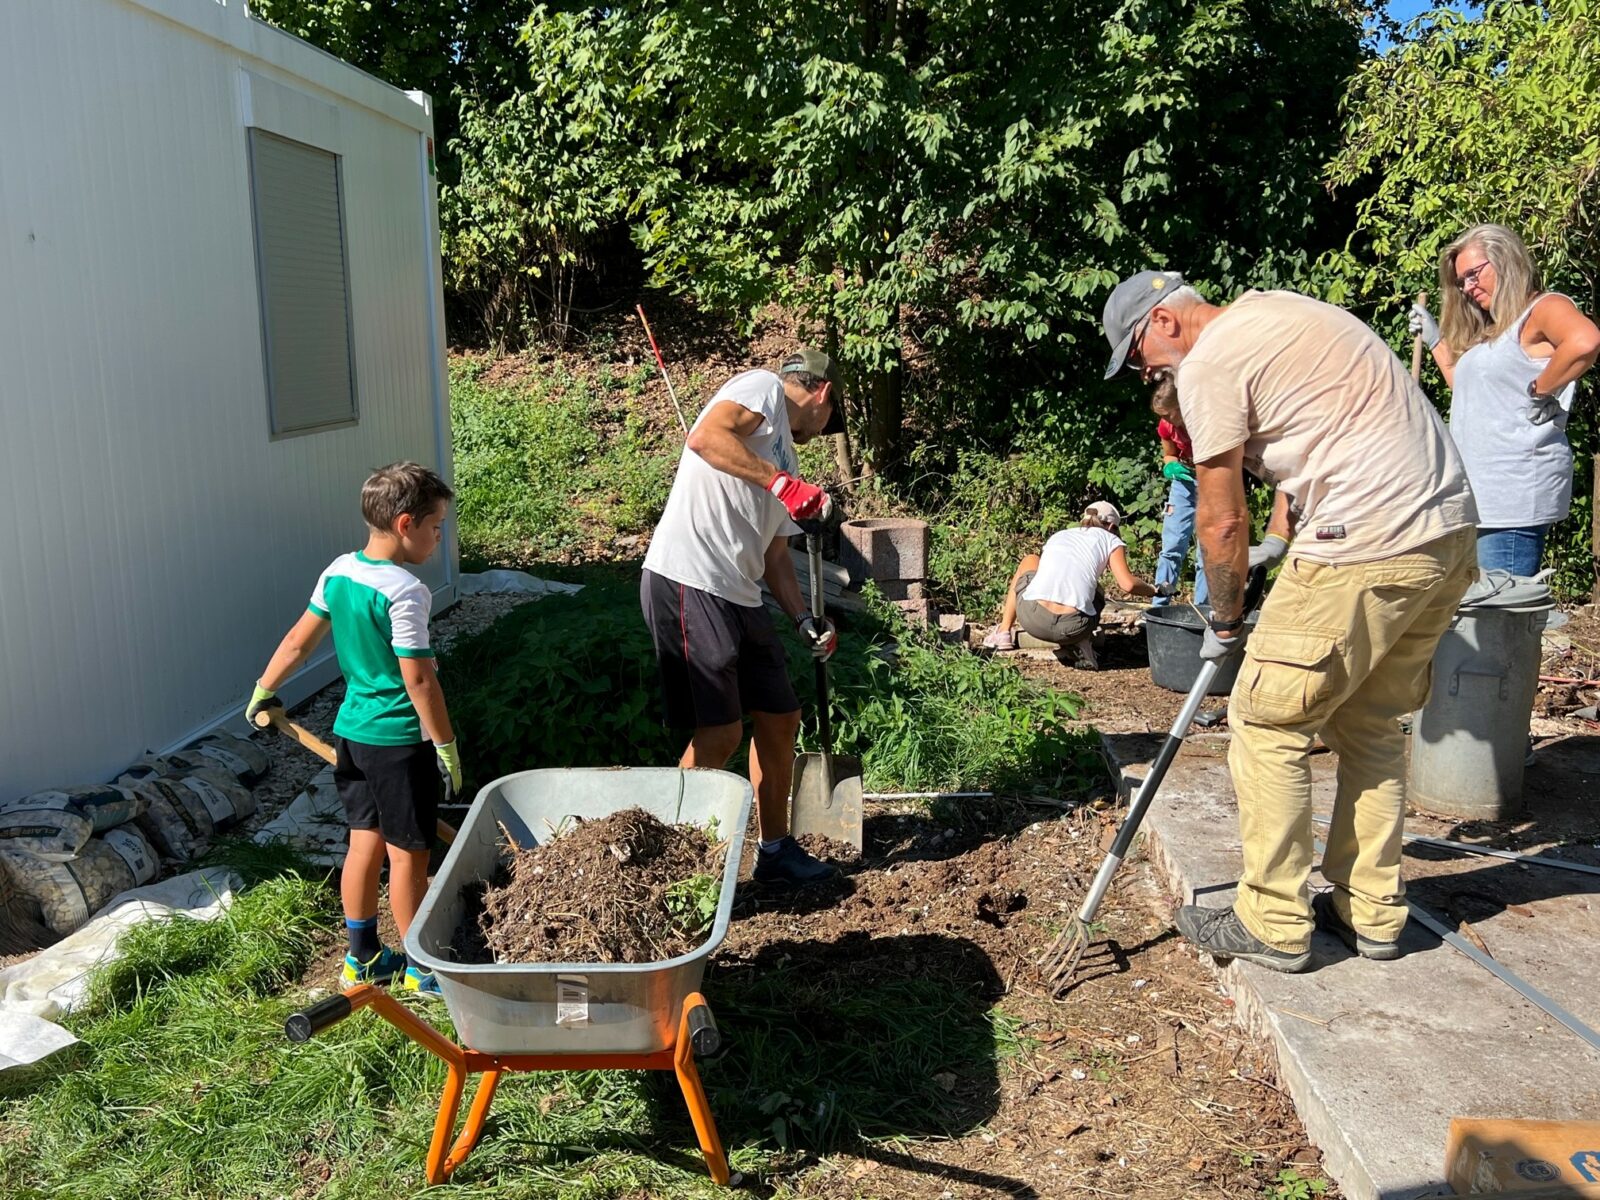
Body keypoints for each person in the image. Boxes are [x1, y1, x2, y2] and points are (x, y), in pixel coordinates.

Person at [1103, 270, 1478, 972]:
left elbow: (1219, 520)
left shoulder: (1208, 364)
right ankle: (1370, 911)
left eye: (1136, 357)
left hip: (1365, 541)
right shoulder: (1280, 312)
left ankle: (1273, 919)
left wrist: (1224, 615)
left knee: (1266, 719)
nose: (1142, 373)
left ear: (1163, 321)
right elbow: (1305, 458)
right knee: (1367, 724)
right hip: (1445, 533)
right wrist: (1276, 544)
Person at [246, 462, 460, 994]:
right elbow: (419, 681)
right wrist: (446, 744)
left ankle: (362, 956)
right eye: (436, 527)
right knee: (409, 856)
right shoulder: (405, 590)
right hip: (397, 740)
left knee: (363, 842)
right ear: (407, 524)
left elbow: (299, 640)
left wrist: (264, 688)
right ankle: (420, 967)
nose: (439, 538)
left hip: (353, 735)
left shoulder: (340, 570)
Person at [640, 350, 846, 886]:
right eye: (828, 423)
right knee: (722, 731)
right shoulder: (762, 390)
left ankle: (775, 850)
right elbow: (705, 438)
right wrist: (779, 483)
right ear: (821, 397)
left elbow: (775, 556)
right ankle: (666, 862)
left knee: (780, 719)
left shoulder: (789, 465)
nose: (821, 432)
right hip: (689, 576)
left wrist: (805, 618)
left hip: (741, 592)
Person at [1411, 224, 1600, 576]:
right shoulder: (1495, 330)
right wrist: (1436, 341)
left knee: (1500, 619)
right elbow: (1469, 394)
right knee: (1480, 615)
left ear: (1506, 261)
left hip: (1511, 496)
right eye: (1461, 281)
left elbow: (1585, 340)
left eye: (1473, 274)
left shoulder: (1543, 308)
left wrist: (1540, 389)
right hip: (1478, 495)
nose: (1468, 288)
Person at [980, 501, 1159, 667]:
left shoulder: (1061, 535)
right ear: (1112, 527)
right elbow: (1127, 584)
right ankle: (1082, 640)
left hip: (1032, 619)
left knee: (1030, 560)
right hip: (1074, 628)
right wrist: (1153, 590)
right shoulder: (1111, 539)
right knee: (1096, 590)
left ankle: (1004, 633)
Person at [1150, 376, 1207, 608]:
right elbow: (1169, 454)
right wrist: (1170, 466)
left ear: (1182, 406)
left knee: (1207, 552)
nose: (1163, 420)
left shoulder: (1204, 420)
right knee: (1172, 546)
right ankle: (1159, 606)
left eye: (1167, 414)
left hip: (1211, 484)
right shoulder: (1166, 426)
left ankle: (1203, 609)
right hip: (1183, 483)